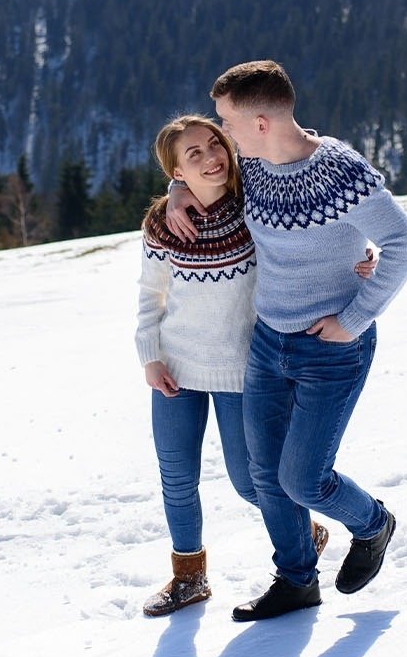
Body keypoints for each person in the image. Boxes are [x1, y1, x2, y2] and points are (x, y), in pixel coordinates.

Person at [165, 61, 407, 621]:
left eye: (228, 123)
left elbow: (405, 244)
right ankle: (296, 579)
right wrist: (176, 191)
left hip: (332, 349)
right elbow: (200, 171)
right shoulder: (252, 165)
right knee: (264, 474)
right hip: (267, 342)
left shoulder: (341, 172)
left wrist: (355, 318)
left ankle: (373, 524)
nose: (223, 136)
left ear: (260, 122)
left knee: (303, 478)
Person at [135, 114, 373, 617]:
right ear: (175, 171)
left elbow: (308, 247)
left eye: (214, 144)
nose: (210, 157)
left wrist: (357, 260)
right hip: (175, 365)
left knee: (252, 482)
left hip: (243, 366)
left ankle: (304, 533)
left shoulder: (255, 204)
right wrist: (149, 355)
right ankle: (190, 578)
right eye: (192, 155)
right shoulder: (162, 220)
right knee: (176, 476)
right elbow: (151, 293)